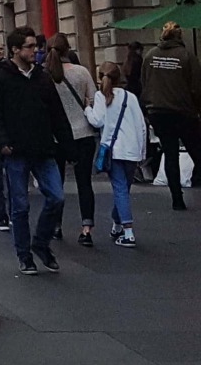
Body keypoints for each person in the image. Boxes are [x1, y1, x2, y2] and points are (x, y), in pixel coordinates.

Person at [0, 28, 73, 275]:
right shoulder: (0, 78)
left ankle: (41, 243)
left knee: (57, 197)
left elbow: (57, 113)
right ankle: (24, 255)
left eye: (36, 46)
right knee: (20, 206)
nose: (35, 51)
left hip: (43, 148)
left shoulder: (42, 77)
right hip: (16, 150)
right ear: (15, 50)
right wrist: (2, 142)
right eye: (30, 46)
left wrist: (67, 145)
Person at [140, 22, 201, 213]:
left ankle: (177, 198)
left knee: (170, 153)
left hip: (158, 112)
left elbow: (144, 83)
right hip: (183, 112)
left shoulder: (150, 56)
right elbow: (196, 87)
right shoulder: (186, 56)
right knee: (197, 151)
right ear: (179, 36)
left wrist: (149, 107)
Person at [85, 62, 147, 247]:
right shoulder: (131, 97)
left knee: (120, 189)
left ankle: (128, 232)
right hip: (132, 149)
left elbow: (97, 121)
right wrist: (142, 151)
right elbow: (141, 125)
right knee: (124, 189)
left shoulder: (99, 96)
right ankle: (118, 223)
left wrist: (87, 108)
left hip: (113, 150)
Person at [44, 34, 99, 244]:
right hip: (82, 133)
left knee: (55, 183)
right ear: (68, 50)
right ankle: (86, 228)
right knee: (84, 182)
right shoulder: (81, 72)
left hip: (56, 136)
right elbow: (93, 99)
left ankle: (56, 225)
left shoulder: (45, 75)